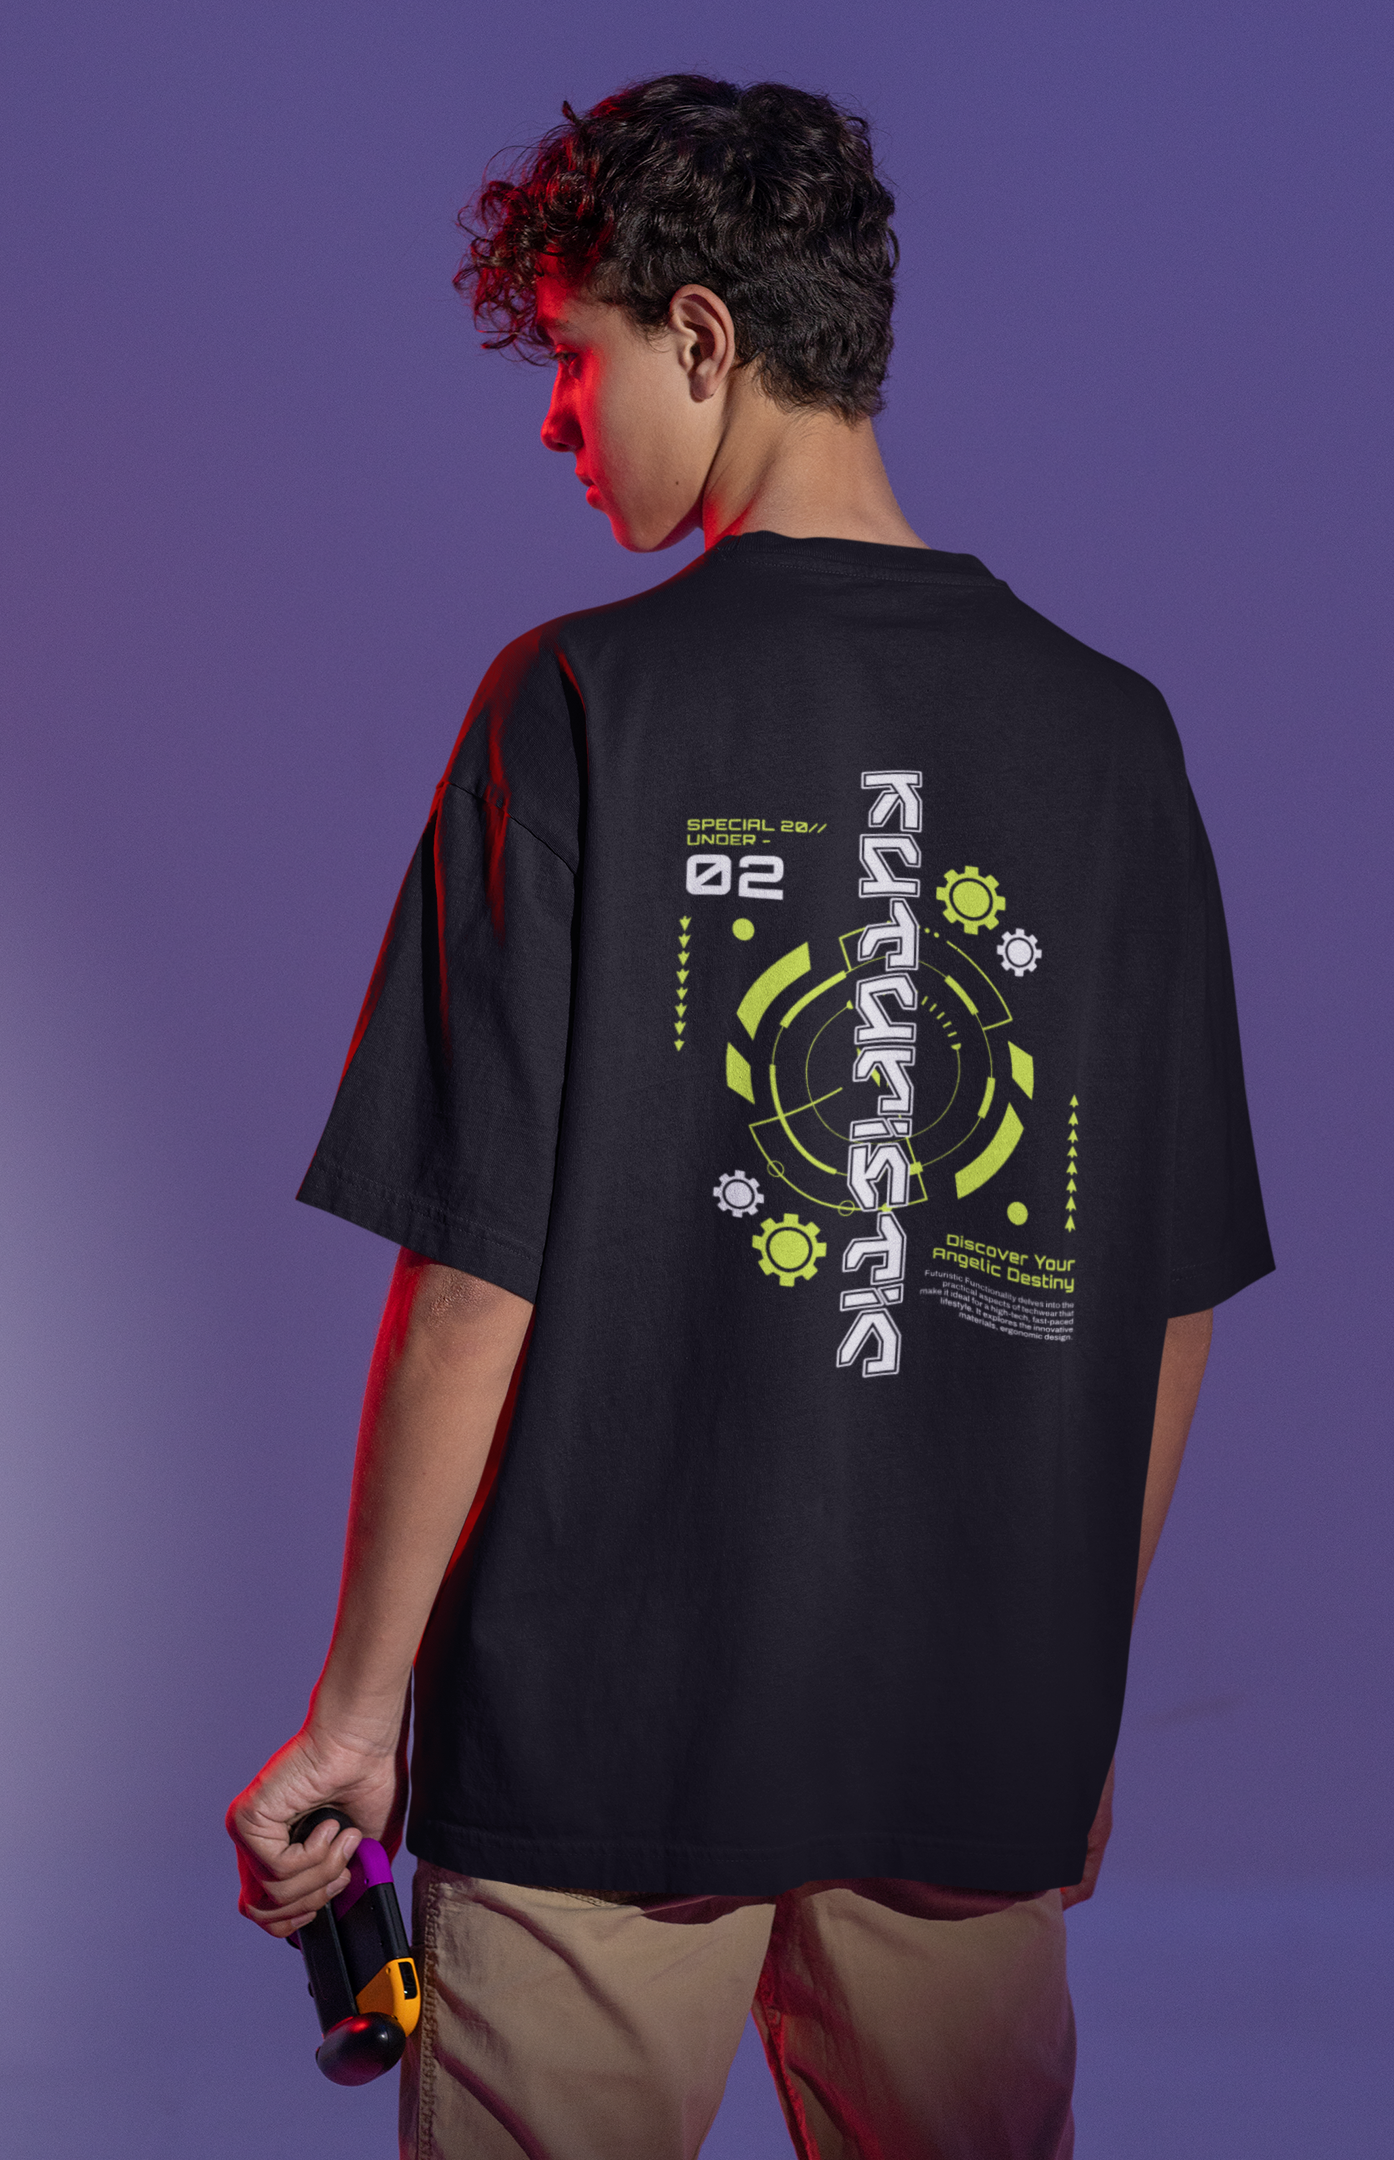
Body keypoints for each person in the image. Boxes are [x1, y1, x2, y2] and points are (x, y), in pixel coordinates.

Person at [227, 75, 1273, 2160]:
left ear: (701, 338)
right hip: (966, 1757)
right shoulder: (1112, 744)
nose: (559, 419)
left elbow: (478, 1275)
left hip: (598, 1755)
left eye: (576, 355)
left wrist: (354, 1717)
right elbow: (1163, 1297)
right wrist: (1068, 1695)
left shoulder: (579, 705)